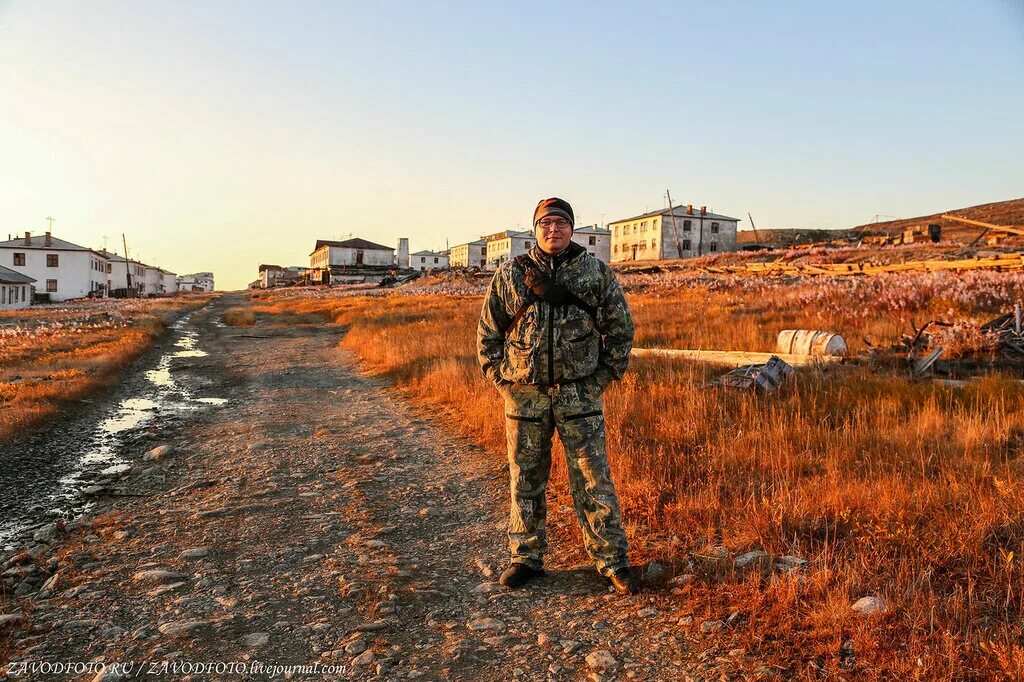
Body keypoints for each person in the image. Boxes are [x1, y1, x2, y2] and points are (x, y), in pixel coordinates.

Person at [476, 197, 639, 594]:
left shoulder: (594, 273)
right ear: (535, 229)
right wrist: (504, 383)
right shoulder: (511, 274)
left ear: (572, 229)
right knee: (525, 478)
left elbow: (620, 330)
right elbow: (488, 334)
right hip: (524, 398)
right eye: (545, 223)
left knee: (593, 478)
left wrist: (598, 380)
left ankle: (611, 561)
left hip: (579, 398)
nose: (553, 230)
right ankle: (525, 558)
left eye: (561, 223)